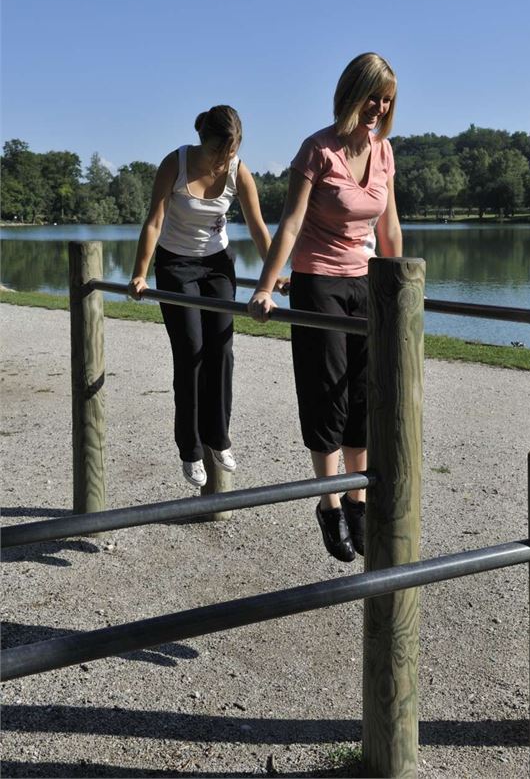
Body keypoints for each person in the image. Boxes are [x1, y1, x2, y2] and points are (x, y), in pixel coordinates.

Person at [248, 53, 402, 562]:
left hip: (365, 286)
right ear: (351, 94)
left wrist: (398, 290)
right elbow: (289, 224)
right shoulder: (317, 150)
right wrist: (266, 287)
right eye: (373, 96)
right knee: (326, 394)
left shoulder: (384, 153)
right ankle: (329, 505)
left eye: (387, 98)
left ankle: (358, 501)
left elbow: (389, 229)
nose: (379, 107)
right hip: (319, 284)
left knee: (363, 393)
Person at [129, 104, 280, 489]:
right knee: (192, 350)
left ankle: (219, 438)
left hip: (217, 264)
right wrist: (139, 273)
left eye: (231, 150)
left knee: (222, 350)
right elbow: (155, 220)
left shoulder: (237, 170)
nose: (223, 159)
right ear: (202, 140)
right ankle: (191, 449)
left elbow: (259, 226)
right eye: (218, 150)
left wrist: (274, 274)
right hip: (176, 264)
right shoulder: (174, 164)